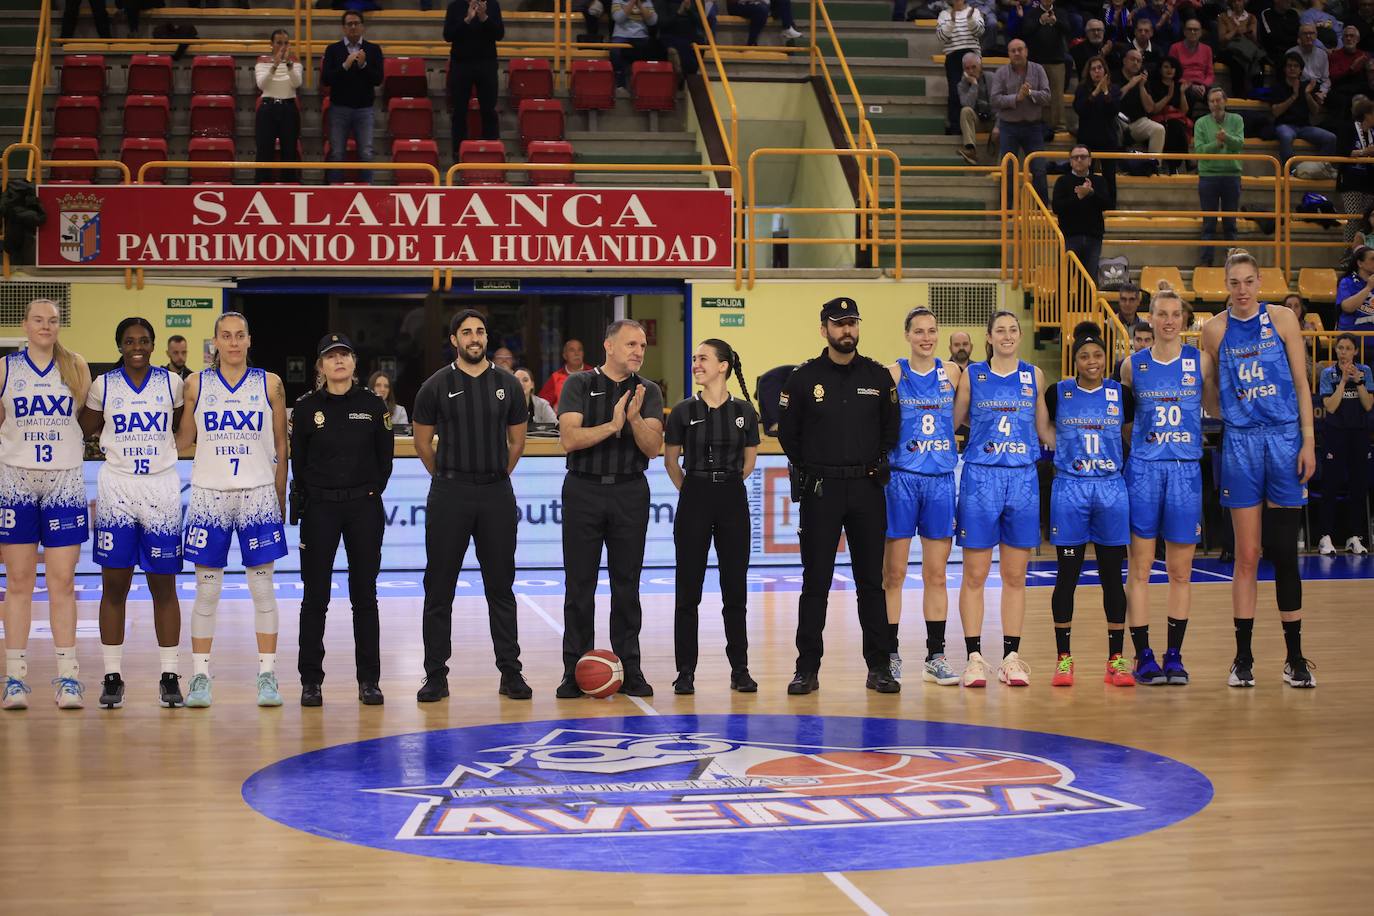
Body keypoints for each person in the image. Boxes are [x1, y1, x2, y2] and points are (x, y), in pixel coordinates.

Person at [1200, 248, 1318, 688]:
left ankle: (1295, 657)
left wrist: (1308, 440)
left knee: (1285, 553)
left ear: (1260, 282)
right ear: (1226, 286)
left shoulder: (1284, 320)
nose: (1242, 290)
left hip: (1285, 439)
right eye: (1234, 283)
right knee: (1247, 555)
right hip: (1241, 445)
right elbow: (1208, 388)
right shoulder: (1213, 330)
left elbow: (1303, 385)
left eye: (1249, 281)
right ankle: (1243, 658)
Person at [778, 297, 900, 695]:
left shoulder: (879, 377)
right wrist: (814, 466)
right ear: (824, 329)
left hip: (867, 488)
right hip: (821, 490)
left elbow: (891, 429)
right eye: (839, 323)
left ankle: (879, 667)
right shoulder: (802, 378)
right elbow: (788, 435)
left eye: (852, 323)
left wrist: (872, 461)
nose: (846, 330)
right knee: (816, 583)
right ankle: (806, 669)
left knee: (871, 583)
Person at [412, 311, 530, 702]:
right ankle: (435, 675)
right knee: (439, 587)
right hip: (450, 493)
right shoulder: (435, 385)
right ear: (454, 339)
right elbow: (422, 444)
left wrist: (495, 474)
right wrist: (449, 476)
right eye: (467, 332)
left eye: (480, 331)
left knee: (500, 586)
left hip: (496, 493)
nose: (475, 337)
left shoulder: (508, 384)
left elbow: (516, 442)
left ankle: (511, 673)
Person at [175, 312, 290, 708]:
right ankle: (201, 677)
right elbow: (184, 440)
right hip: (209, 493)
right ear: (215, 343)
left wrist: (281, 489)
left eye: (240, 335)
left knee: (262, 589)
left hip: (257, 492)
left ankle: (267, 675)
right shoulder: (196, 383)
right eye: (226, 336)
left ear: (249, 339)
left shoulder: (270, 382)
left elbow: (280, 442)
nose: (234, 342)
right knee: (207, 592)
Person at [77, 318, 185, 709]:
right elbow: (83, 428)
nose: (136, 346)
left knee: (163, 586)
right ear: (118, 345)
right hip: (117, 488)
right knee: (115, 585)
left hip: (160, 488)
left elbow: (182, 426)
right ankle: (112, 676)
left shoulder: (172, 384)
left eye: (143, 340)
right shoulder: (103, 384)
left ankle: (170, 676)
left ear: (153, 345)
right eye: (129, 341)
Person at [556, 320, 663, 698]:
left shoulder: (647, 391)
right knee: (579, 585)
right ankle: (574, 669)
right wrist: (612, 424)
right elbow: (569, 439)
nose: (638, 351)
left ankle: (629, 667)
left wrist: (633, 419)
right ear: (609, 346)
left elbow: (653, 448)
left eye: (642, 346)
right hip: (583, 490)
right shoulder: (579, 384)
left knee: (627, 585)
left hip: (630, 491)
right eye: (631, 344)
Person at [952, 309, 1053, 687]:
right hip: (981, 477)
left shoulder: (1034, 376)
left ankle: (1011, 656)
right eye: (1000, 330)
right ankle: (974, 657)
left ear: (1019, 335)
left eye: (1013, 329)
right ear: (989, 337)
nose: (1008, 335)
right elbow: (956, 421)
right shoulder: (972, 376)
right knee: (975, 573)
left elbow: (1042, 427)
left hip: (1023, 479)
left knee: (1015, 576)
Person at [292, 334, 393, 707]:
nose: (338, 362)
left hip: (363, 508)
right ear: (320, 366)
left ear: (354, 363)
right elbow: (298, 464)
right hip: (320, 509)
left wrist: (365, 492)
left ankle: (369, 680)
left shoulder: (373, 404)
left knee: (364, 596)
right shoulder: (305, 408)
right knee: (314, 597)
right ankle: (310, 681)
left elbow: (385, 461)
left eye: (344, 356)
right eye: (330, 357)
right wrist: (313, 496)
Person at [0, 299, 91, 710]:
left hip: (64, 482)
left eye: (52, 321)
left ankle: (68, 678)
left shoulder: (76, 366)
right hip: (16, 481)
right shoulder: (6, 368)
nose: (45, 326)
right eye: (38, 320)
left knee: (63, 583)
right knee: (17, 582)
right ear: (25, 324)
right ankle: (15, 679)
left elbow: (88, 422)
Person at [1120, 283, 1209, 687]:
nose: (1169, 321)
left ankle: (1174, 654)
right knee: (1139, 568)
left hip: (1185, 473)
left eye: (1176, 314)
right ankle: (1143, 655)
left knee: (1180, 570)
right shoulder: (1132, 366)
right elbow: (1123, 423)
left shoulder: (1201, 362)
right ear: (1150, 319)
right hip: (1143, 472)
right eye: (1162, 314)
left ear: (1184, 320)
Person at [663, 339, 760, 694]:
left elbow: (749, 462)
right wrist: (691, 490)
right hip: (695, 497)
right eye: (693, 359)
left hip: (732, 496)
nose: (696, 364)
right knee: (687, 591)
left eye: (702, 358)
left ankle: (740, 670)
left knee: (735, 591)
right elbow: (671, 461)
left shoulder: (745, 412)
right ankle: (685, 672)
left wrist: (725, 482)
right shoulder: (683, 411)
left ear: (723, 366)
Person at [1045, 322, 1133, 688]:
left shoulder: (1122, 394)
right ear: (1075, 360)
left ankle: (1117, 659)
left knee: (1113, 578)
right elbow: (1044, 429)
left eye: (1097, 354)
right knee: (1067, 577)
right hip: (1070, 490)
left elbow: (1130, 435)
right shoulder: (1057, 393)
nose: (1092, 361)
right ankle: (1064, 659)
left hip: (1111, 489)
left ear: (1105, 358)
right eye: (1084, 355)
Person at [881, 307, 962, 688]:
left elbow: (961, 418)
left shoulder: (953, 373)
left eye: (932, 330)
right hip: (902, 480)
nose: (926, 337)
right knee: (893, 574)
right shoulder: (893, 374)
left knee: (936, 574)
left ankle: (936, 655)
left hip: (941, 481)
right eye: (919, 331)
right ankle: (889, 653)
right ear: (907, 335)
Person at [1316, 333, 1373, 555]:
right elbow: (1330, 406)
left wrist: (1357, 380)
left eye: (1348, 348)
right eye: (1340, 348)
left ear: (1355, 351)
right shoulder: (1328, 374)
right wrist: (1342, 381)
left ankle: (1355, 536)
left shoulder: (1365, 372)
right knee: (1330, 485)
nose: (1343, 352)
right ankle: (1325, 536)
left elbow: (1368, 405)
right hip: (1335, 434)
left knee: (1358, 486)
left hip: (1359, 434)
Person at [321, 11, 383, 183]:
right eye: (349, 24)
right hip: (339, 109)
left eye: (356, 23)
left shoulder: (373, 50)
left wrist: (363, 66)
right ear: (343, 28)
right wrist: (345, 66)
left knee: (366, 153)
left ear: (362, 26)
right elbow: (326, 79)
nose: (353, 27)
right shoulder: (333, 50)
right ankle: (335, 194)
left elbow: (378, 79)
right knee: (337, 153)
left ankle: (366, 192)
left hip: (364, 109)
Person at [991, 39, 1052, 202]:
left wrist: (1030, 93)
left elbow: (1047, 97)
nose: (1017, 53)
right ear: (1009, 54)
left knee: (1039, 169)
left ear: (1026, 51)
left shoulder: (1038, 69)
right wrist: (1016, 98)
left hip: (1033, 127)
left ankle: (1042, 209)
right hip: (1008, 127)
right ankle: (1008, 210)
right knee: (1008, 170)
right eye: (1013, 51)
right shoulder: (1001, 72)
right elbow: (995, 100)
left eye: (1020, 49)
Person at [445, 0, 504, 157]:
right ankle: (458, 155)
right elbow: (448, 35)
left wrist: (484, 17)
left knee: (488, 111)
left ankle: (491, 154)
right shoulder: (455, 6)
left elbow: (499, 34)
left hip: (487, 64)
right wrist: (467, 19)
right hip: (461, 64)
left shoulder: (492, 5)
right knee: (459, 111)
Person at [1194, 87, 1245, 266]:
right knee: (1209, 223)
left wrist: (1227, 138)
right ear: (1208, 104)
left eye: (1218, 100)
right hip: (1208, 177)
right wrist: (1217, 143)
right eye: (1212, 101)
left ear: (1225, 101)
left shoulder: (1237, 120)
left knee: (1230, 223)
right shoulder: (1200, 123)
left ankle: (1233, 262)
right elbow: (1199, 151)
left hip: (1231, 175)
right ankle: (1206, 261)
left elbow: (1239, 144)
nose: (1216, 104)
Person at [1052, 144, 1113, 283]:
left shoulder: (1099, 181)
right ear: (1070, 161)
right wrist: (1078, 197)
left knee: (1088, 282)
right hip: (1069, 237)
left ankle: (1086, 306)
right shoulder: (1062, 181)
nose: (1079, 160)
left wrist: (1091, 193)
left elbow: (1107, 204)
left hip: (1093, 238)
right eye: (1075, 157)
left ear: (1090, 161)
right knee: (1064, 280)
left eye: (1083, 157)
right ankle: (1063, 305)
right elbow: (1057, 207)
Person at [1271, 52, 1337, 168]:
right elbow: (1276, 112)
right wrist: (1294, 96)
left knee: (1330, 138)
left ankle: (1319, 169)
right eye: (1289, 65)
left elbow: (1315, 112)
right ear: (1284, 69)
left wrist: (1307, 95)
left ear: (1301, 70)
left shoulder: (1306, 87)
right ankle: (1290, 172)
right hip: (1284, 125)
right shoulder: (1278, 87)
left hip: (1304, 126)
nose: (1292, 68)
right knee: (1285, 136)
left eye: (1296, 66)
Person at [255, 29, 303, 184]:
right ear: (271, 45)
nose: (283, 47)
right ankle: (262, 185)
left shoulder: (295, 65)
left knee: (289, 150)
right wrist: (274, 66)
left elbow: (296, 83)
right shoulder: (262, 65)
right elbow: (262, 85)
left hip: (288, 108)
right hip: (267, 108)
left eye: (286, 43)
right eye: (279, 43)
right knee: (264, 150)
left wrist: (288, 64)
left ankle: (288, 186)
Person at [1073, 56, 1121, 202]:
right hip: (1087, 139)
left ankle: (1110, 207)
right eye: (1093, 69)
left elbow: (1114, 111)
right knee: (1087, 176)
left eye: (1099, 68)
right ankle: (1087, 205)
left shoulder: (1114, 89)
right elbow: (1080, 109)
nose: (1097, 71)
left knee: (1109, 176)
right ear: (1088, 72)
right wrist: (1095, 93)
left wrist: (1105, 92)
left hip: (1108, 138)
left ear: (1105, 70)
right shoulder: (1082, 89)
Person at [1021, 0, 1070, 137]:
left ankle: (1059, 125)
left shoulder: (1061, 13)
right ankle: (1035, 122)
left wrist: (1056, 22)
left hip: (1057, 60)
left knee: (1057, 95)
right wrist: (1040, 21)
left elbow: (1068, 30)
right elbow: (1025, 31)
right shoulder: (1032, 13)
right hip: (1036, 61)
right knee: (1035, 94)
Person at [940, 0, 988, 137]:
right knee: (955, 93)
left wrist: (970, 19)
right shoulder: (944, 14)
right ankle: (955, 127)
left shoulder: (974, 12)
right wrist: (952, 21)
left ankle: (972, 126)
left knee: (974, 90)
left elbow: (979, 32)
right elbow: (942, 37)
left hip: (971, 56)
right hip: (953, 56)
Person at [1117, 49, 1167, 158]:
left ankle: (1153, 166)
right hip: (1117, 123)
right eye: (1132, 59)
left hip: (1138, 122)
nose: (1135, 63)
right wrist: (1130, 84)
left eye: (1139, 61)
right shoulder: (1114, 76)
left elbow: (1149, 108)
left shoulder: (1143, 80)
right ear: (1124, 61)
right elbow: (1113, 99)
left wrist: (1141, 87)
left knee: (1159, 129)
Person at [1146, 56, 1193, 173]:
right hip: (1158, 118)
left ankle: (1174, 165)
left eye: (1173, 67)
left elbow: (1184, 111)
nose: (1169, 70)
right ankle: (1183, 162)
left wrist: (1182, 93)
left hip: (1175, 120)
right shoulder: (1153, 85)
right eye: (1166, 67)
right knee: (1174, 126)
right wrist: (1168, 97)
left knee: (1176, 126)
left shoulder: (1179, 86)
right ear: (1160, 69)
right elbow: (1154, 109)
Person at [1337, 98, 1374, 245]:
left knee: (1366, 221)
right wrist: (1364, 152)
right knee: (1353, 218)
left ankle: (1362, 254)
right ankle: (1348, 254)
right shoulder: (1348, 128)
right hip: (1351, 182)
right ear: (1366, 115)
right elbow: (1341, 152)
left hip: (1369, 183)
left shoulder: (1373, 132)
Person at [1216, 0, 1266, 99]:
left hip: (1246, 48)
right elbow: (1223, 39)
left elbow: (1253, 37)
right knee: (1237, 62)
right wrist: (1236, 30)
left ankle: (1257, 93)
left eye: (1239, 1)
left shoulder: (1251, 17)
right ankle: (1238, 94)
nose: (1237, 3)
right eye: (1234, 1)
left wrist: (1236, 33)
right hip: (1228, 49)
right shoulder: (1223, 17)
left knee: (1260, 59)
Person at [610, 0, 659, 93]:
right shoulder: (617, 1)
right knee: (615, 51)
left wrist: (640, 5)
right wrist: (632, 2)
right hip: (621, 35)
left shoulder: (647, 2)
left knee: (652, 49)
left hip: (641, 36)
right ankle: (620, 84)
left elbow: (652, 21)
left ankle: (643, 84)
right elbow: (618, 18)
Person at [1169, 19, 1213, 114]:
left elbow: (1210, 74)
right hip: (1182, 83)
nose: (1193, 32)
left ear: (1201, 32)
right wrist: (1191, 86)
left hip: (1201, 84)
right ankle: (1188, 124)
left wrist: (1204, 86)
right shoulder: (1175, 48)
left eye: (1196, 29)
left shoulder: (1207, 49)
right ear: (1184, 32)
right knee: (1189, 93)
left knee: (1217, 96)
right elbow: (1172, 73)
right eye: (1189, 29)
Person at [957, 53, 994, 164]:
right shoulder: (961, 85)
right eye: (967, 68)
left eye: (974, 67)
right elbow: (967, 104)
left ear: (980, 66)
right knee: (965, 111)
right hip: (978, 121)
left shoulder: (991, 77)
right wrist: (974, 85)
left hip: (994, 119)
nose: (971, 71)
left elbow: (998, 102)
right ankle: (970, 149)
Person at [538, 338, 587, 409]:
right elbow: (541, 404)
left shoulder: (594, 373)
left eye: (579, 350)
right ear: (565, 355)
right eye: (572, 350)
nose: (577, 354)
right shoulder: (556, 377)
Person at [1290, 22, 1332, 96]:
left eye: (1312, 33)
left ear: (1316, 36)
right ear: (1299, 36)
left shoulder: (1322, 54)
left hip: (1317, 87)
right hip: (1298, 87)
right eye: (1305, 33)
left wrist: (1322, 92)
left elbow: (1325, 79)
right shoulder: (1291, 53)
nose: (1308, 36)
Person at [1337, 244, 1374, 329]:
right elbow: (1347, 308)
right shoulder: (1346, 282)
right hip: (1351, 338)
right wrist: (1368, 288)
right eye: (1373, 259)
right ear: (1360, 263)